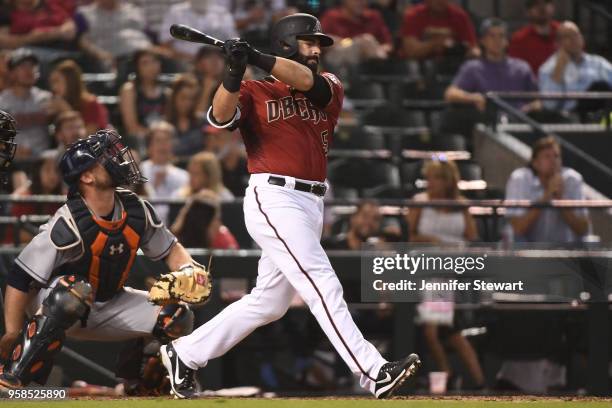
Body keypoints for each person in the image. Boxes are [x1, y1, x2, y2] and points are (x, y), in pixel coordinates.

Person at [158, 13, 421, 399]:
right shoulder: (255, 91)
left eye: (318, 43)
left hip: (312, 202)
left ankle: (185, 353)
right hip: (274, 196)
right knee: (321, 280)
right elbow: (218, 117)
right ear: (286, 43)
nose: (317, 48)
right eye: (309, 41)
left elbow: (306, 82)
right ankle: (372, 370)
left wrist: (256, 56)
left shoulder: (329, 84)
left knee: (270, 303)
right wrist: (233, 72)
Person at [0, 129, 208, 392]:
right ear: (86, 176)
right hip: (58, 306)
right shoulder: (69, 221)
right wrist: (11, 331)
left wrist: (189, 270)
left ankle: (141, 385)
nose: (116, 160)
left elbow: (171, 251)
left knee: (177, 315)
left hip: (110, 301)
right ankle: (13, 377)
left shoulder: (136, 209)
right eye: (104, 158)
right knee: (72, 291)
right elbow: (20, 277)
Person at [505, 136, 589, 243]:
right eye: (547, 157)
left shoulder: (573, 179)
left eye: (556, 156)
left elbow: (583, 229)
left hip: (565, 253)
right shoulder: (519, 179)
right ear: (535, 163)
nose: (553, 161)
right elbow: (517, 229)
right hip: (528, 253)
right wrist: (546, 196)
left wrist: (560, 200)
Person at [445, 18, 539, 113]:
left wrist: (530, 108)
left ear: (507, 40)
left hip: (520, 122)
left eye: (501, 36)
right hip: (487, 122)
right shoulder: (472, 68)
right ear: (482, 41)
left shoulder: (522, 68)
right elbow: (451, 94)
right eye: (492, 36)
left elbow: (538, 99)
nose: (497, 40)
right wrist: (473, 98)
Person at [539, 21, 612, 112]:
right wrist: (559, 69)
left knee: (601, 87)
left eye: (576, 34)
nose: (573, 39)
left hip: (599, 118)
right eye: (567, 36)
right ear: (558, 43)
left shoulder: (598, 63)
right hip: (568, 120)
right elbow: (549, 105)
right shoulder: (548, 68)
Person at [0, 49, 51, 158]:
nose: (29, 70)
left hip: (43, 158)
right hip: (9, 159)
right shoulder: (2, 101)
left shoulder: (47, 98)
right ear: (12, 73)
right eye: (23, 66)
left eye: (32, 66)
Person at [77, 0, 153, 70]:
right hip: (110, 61)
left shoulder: (134, 11)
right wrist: (100, 55)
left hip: (142, 56)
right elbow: (82, 41)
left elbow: (148, 37)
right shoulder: (84, 14)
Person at [10, 150, 64, 244]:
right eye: (47, 170)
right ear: (37, 172)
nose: (53, 176)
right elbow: (21, 235)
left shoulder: (62, 198)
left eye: (56, 171)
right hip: (17, 251)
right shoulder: (24, 197)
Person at [140, 121, 189, 224]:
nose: (162, 146)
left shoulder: (183, 176)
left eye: (166, 141)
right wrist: (153, 186)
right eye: (158, 141)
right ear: (150, 146)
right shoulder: (140, 170)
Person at [320, 0, 393, 67]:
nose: (361, 2)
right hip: (338, 63)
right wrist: (354, 43)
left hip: (370, 62)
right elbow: (321, 43)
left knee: (368, 40)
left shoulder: (373, 16)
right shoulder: (331, 16)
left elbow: (388, 44)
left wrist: (377, 48)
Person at [159, 0, 238, 62]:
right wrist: (190, 59)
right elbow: (165, 44)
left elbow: (234, 42)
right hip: (185, 62)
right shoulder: (175, 12)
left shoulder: (222, 13)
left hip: (219, 62)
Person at [400, 0, 479, 61]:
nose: (440, 0)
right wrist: (438, 41)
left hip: (452, 68)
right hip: (418, 68)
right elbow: (411, 52)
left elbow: (472, 48)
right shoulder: (413, 15)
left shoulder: (460, 16)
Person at [47, 59, 109, 134]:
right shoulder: (54, 105)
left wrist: (66, 111)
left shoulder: (91, 104)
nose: (53, 87)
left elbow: (89, 138)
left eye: (56, 81)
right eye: (51, 83)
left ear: (70, 82)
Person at [119, 49, 168, 143]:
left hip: (163, 139)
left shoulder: (166, 92)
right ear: (137, 67)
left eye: (154, 61)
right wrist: (154, 137)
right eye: (145, 63)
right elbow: (131, 127)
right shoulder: (129, 90)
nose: (151, 67)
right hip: (137, 141)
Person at [0, 0, 77, 50]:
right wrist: (31, 38)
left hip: (62, 51)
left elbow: (71, 29)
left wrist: (46, 34)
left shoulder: (49, 5)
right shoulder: (6, 12)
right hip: (27, 55)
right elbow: (4, 42)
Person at [508, 0, 559, 74]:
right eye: (536, 4)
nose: (542, 7)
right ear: (528, 11)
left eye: (546, 2)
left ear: (553, 7)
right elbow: (516, 72)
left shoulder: (565, 33)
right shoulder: (519, 40)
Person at [165, 74, 207, 157]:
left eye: (191, 99)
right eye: (183, 97)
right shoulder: (164, 125)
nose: (188, 103)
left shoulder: (203, 122)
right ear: (174, 97)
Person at [193, 46, 226, 116]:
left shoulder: (229, 86)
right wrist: (206, 90)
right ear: (198, 63)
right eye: (209, 57)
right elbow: (198, 116)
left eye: (220, 57)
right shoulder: (190, 85)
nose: (215, 61)